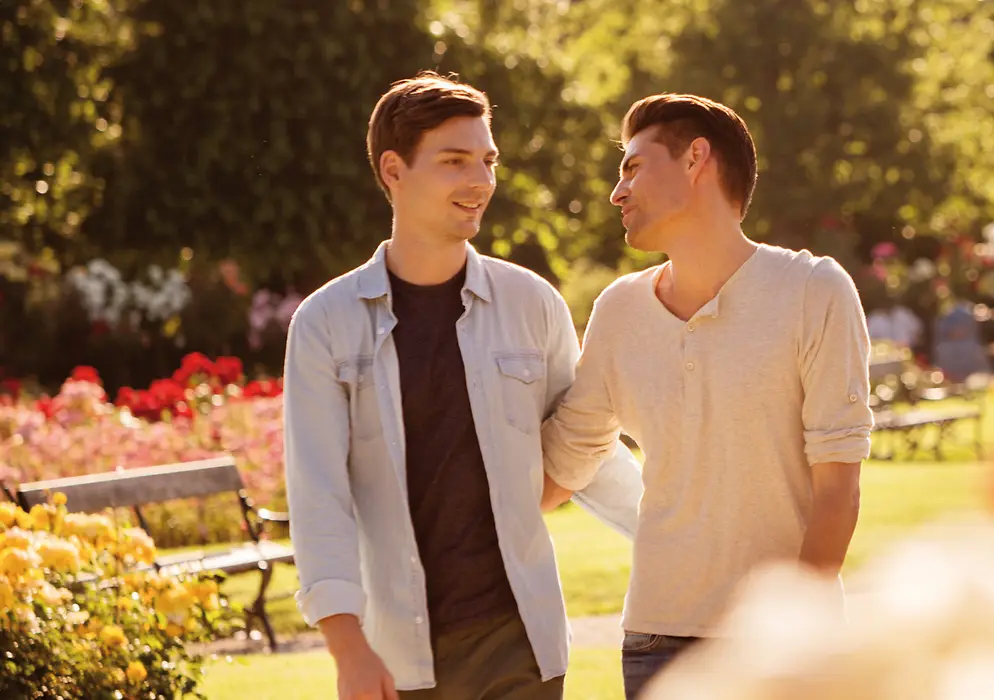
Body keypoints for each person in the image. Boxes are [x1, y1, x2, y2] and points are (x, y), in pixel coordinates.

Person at [283, 71, 639, 700]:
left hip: (523, 644)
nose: (480, 181)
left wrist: (695, 538)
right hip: (399, 655)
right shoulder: (325, 324)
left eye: (487, 160)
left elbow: (590, 451)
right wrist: (348, 650)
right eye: (454, 161)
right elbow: (319, 496)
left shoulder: (532, 303)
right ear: (394, 170)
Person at [538, 93, 875, 699]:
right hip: (656, 645)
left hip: (784, 646)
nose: (617, 192)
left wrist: (789, 637)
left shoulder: (813, 291)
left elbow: (838, 492)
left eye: (633, 167)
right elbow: (563, 465)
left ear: (696, 158)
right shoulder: (619, 310)